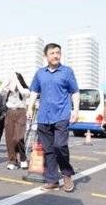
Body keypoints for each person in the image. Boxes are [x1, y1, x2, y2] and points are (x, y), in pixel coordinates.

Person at [27, 43, 80, 192]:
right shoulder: (40, 73)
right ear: (46, 56)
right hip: (44, 116)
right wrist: (30, 107)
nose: (56, 55)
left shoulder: (67, 72)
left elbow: (75, 91)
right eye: (52, 53)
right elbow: (34, 91)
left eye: (58, 53)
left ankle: (67, 174)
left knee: (60, 146)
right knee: (49, 150)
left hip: (62, 115)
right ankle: (52, 180)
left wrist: (75, 110)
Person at [2, 72, 30, 170]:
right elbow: (0, 90)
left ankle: (23, 159)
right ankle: (12, 160)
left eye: (15, 79)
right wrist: (8, 82)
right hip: (10, 113)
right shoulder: (8, 90)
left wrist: (17, 82)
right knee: (9, 138)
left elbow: (23, 92)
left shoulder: (25, 90)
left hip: (21, 112)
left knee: (18, 137)